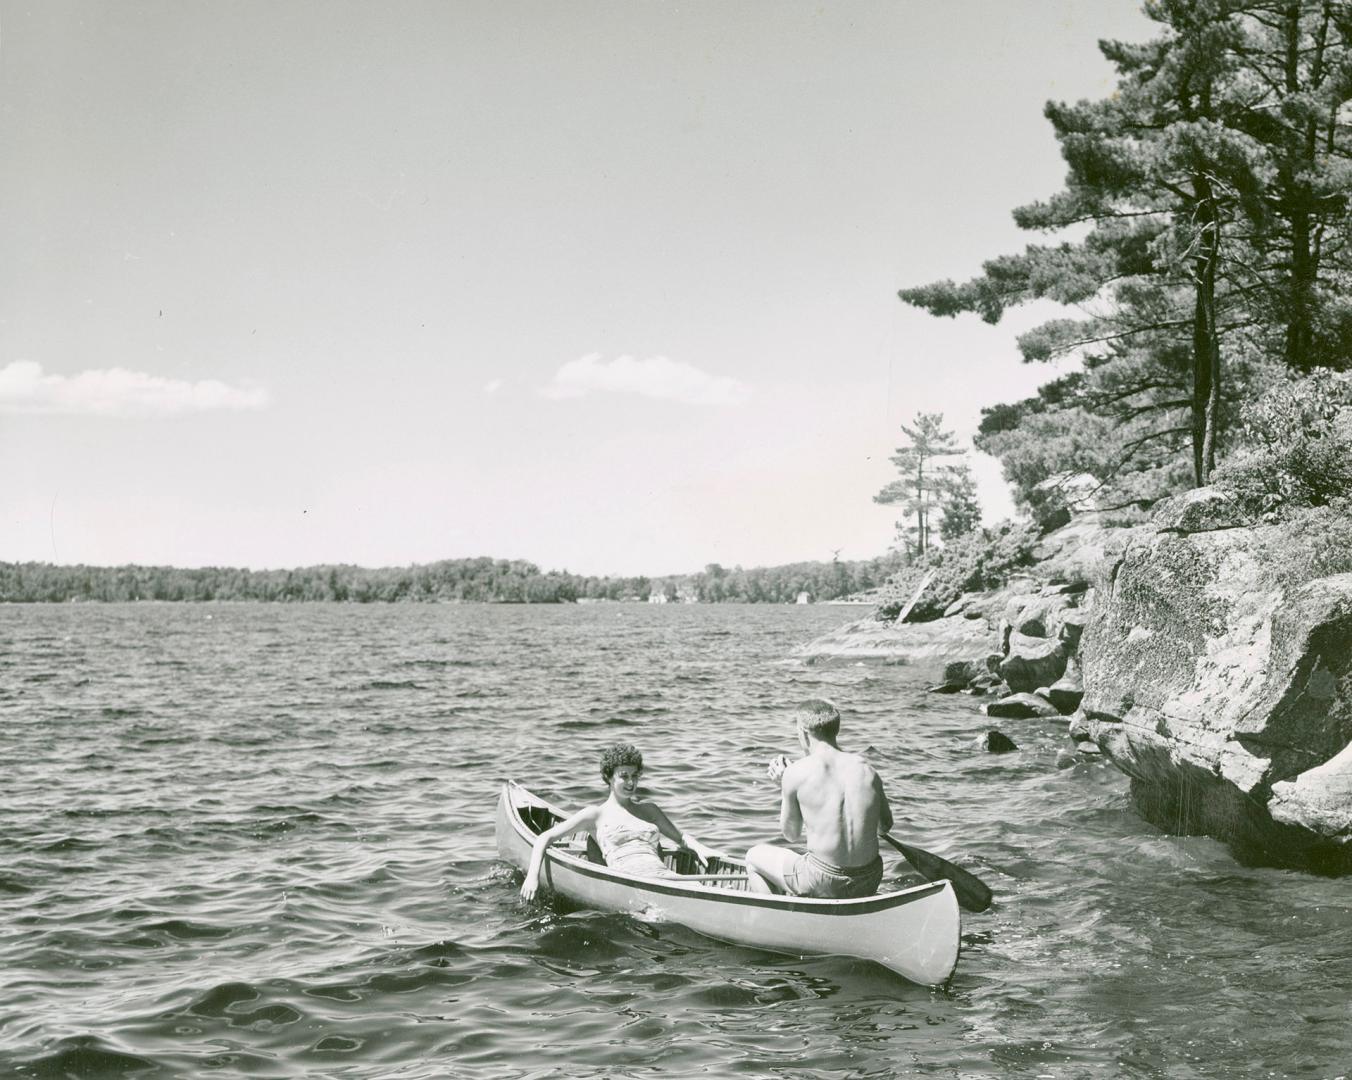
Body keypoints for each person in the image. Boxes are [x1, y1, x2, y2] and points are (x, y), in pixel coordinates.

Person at [519, 742, 720, 901]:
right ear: (609, 777)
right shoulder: (595, 815)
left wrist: (701, 848)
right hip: (630, 884)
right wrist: (532, 876)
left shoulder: (649, 809)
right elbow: (544, 837)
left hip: (666, 878)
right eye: (624, 776)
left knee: (697, 888)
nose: (631, 782)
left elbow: (681, 838)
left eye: (635, 776)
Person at [745, 698, 892, 898]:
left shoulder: (796, 773)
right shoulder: (867, 769)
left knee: (753, 856)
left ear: (803, 733)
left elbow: (791, 834)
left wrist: (785, 786)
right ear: (835, 730)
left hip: (822, 879)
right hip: (870, 878)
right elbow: (884, 827)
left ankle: (776, 920)